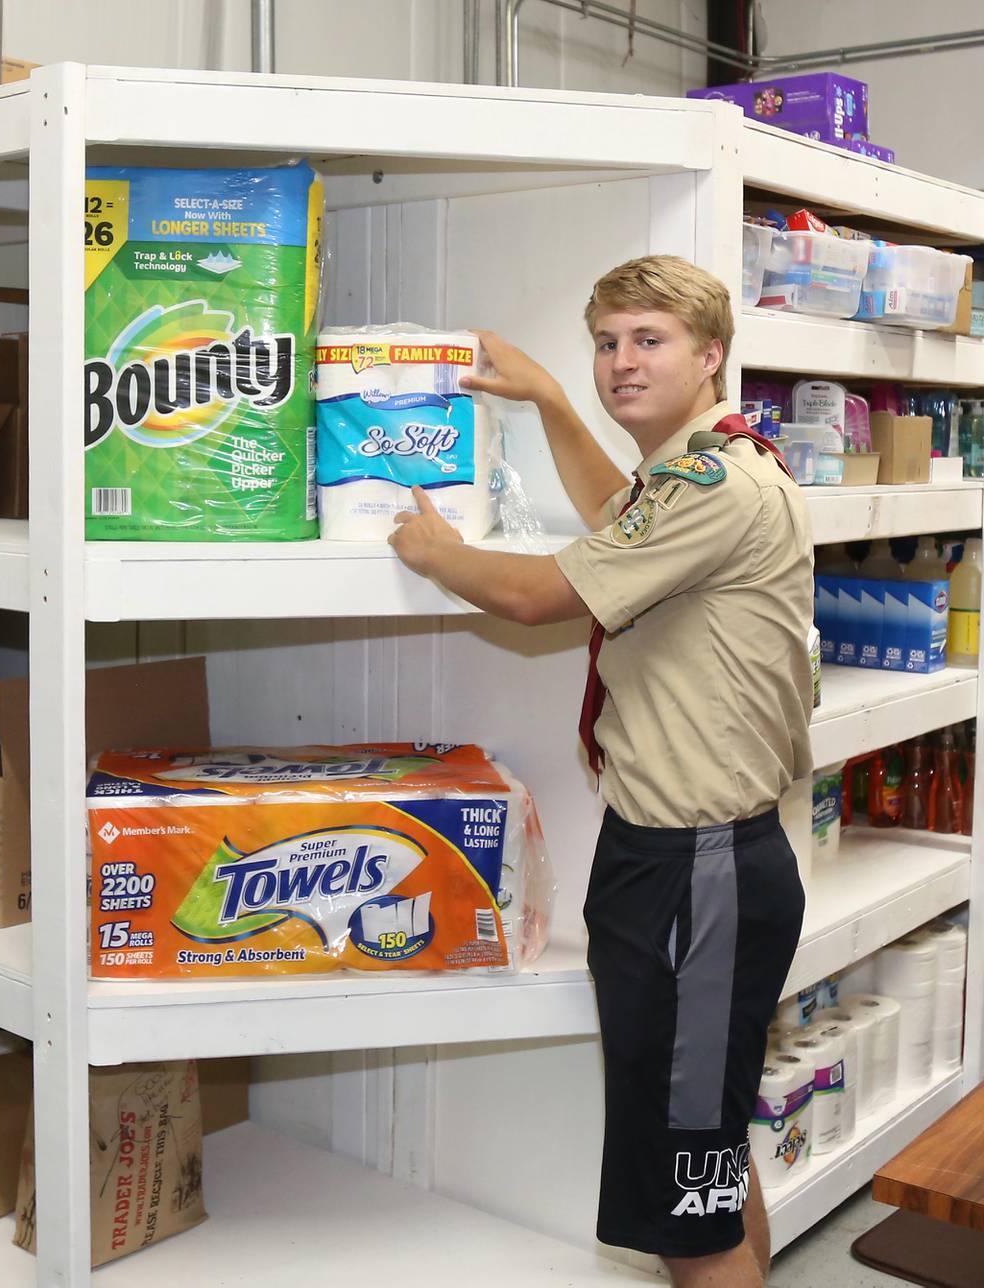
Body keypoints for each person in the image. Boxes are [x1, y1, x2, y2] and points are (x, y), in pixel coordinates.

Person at [389, 255, 812, 1288]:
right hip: (673, 861)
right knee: (702, 1155)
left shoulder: (716, 484)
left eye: (650, 340)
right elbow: (619, 513)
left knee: (687, 1209)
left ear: (711, 354)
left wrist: (431, 550)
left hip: (697, 876)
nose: (622, 363)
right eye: (608, 342)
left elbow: (541, 595)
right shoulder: (692, 473)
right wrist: (543, 400)